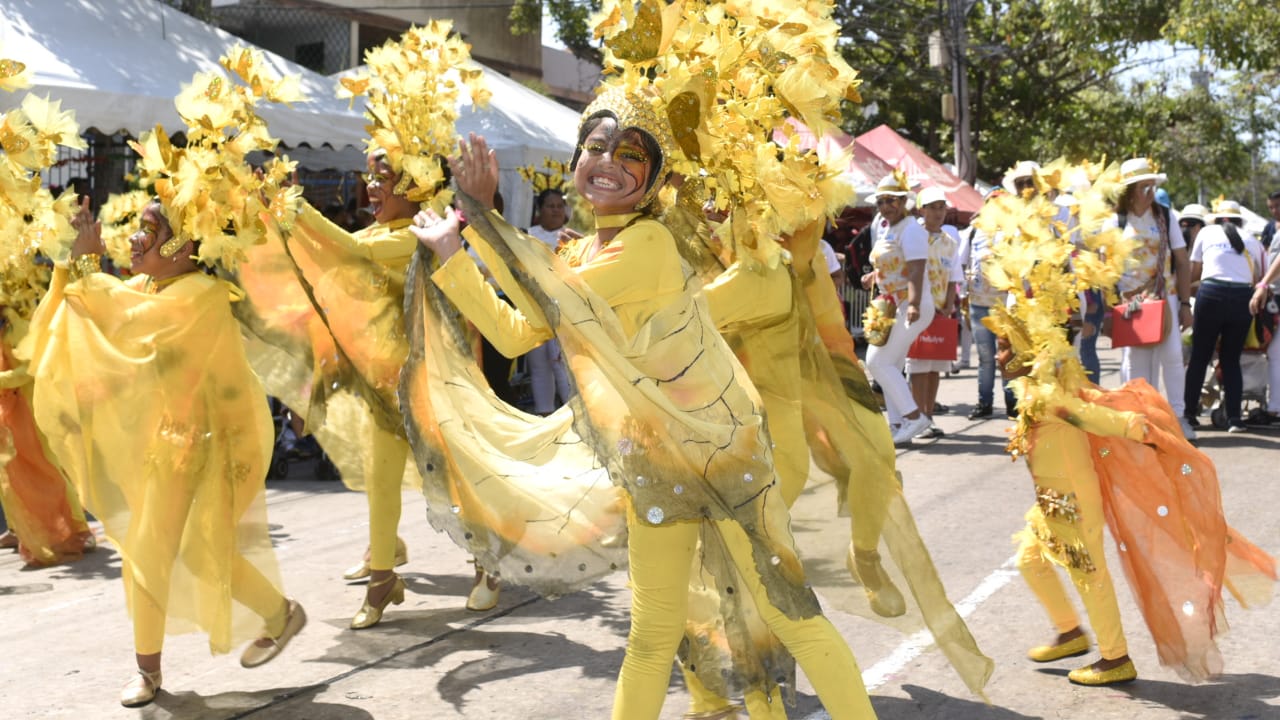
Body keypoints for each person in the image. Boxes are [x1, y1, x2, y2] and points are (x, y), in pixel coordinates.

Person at [413, 88, 877, 720]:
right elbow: (517, 331)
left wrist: (478, 213)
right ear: (577, 158)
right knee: (652, 634)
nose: (609, 161)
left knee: (788, 616)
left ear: (656, 179)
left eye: (631, 153)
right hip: (655, 465)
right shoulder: (585, 250)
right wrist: (453, 248)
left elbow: (544, 297)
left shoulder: (649, 245)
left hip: (724, 459)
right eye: (597, 147)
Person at [978, 172, 1275, 689]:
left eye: (1005, 346)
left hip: (1072, 501)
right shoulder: (1039, 376)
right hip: (1053, 500)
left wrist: (1147, 431)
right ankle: (1071, 632)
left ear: (1028, 347)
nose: (998, 354)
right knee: (1030, 555)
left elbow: (1093, 415)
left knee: (1088, 574)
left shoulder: (1046, 388)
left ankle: (1114, 657)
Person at [24, 200, 305, 707]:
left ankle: (165, 665)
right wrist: (71, 261)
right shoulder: (149, 288)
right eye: (138, 228)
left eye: (149, 231)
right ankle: (263, 622)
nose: (135, 238)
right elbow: (92, 310)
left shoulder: (200, 294)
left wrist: (87, 267)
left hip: (211, 447)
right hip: (164, 444)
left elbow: (126, 319)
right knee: (165, 552)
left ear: (185, 245)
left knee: (177, 552)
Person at [1105, 158, 1194, 439]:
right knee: (1136, 361)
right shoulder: (1115, 221)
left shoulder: (1166, 216)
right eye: (1144, 187)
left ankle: (1178, 418)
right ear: (1129, 190)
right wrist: (1109, 309)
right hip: (1130, 303)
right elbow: (1103, 266)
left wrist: (1184, 303)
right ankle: (1139, 419)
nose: (1150, 192)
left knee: (1172, 357)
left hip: (1163, 297)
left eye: (1152, 186)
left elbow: (1181, 261)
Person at [862, 172, 934, 444]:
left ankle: (915, 418)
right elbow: (892, 263)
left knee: (876, 361)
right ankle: (898, 423)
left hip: (909, 304)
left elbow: (916, 270)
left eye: (891, 201)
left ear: (904, 201)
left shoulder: (912, 229)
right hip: (891, 304)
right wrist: (874, 276)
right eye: (881, 202)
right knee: (890, 363)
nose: (885, 207)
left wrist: (914, 304)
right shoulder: (886, 227)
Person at [1183, 200, 1264, 433]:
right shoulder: (1252, 240)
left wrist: (1182, 299)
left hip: (1210, 295)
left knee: (1200, 356)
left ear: (1218, 219)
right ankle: (1235, 419)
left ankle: (1189, 414)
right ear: (1239, 220)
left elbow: (1194, 272)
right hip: (1242, 299)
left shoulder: (1207, 232)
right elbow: (1257, 276)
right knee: (1231, 359)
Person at [907, 187, 963, 438]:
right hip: (917, 310)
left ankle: (928, 417)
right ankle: (916, 419)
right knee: (917, 367)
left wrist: (949, 305)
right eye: (932, 207)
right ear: (922, 210)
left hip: (940, 312)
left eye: (942, 207)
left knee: (934, 367)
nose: (938, 212)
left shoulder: (950, 242)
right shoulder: (913, 235)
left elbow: (953, 277)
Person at [960, 191, 1016, 420]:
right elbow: (961, 263)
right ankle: (985, 402)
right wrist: (963, 295)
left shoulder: (1013, 232)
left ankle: (1013, 403)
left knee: (1006, 355)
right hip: (979, 305)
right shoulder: (973, 231)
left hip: (1004, 306)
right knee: (984, 356)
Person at [522, 188, 573, 415]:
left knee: (560, 362)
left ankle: (577, 413)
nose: (555, 211)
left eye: (559, 206)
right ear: (539, 210)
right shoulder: (527, 235)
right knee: (538, 365)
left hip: (562, 309)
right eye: (550, 206)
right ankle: (545, 414)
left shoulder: (572, 235)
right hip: (533, 306)